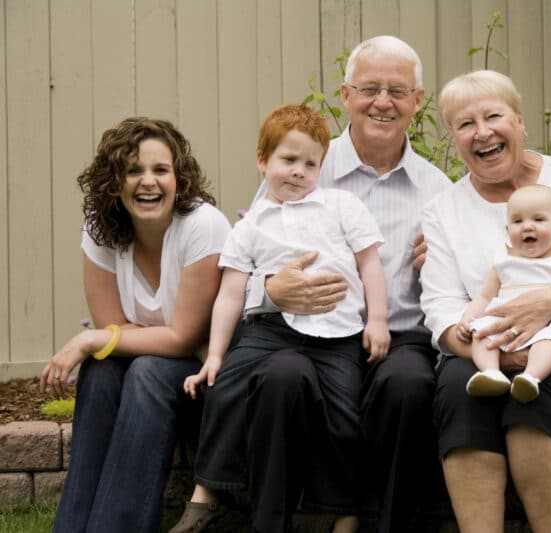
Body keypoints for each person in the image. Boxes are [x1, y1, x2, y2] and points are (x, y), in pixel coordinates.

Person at [242, 36, 452, 532]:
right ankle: (269, 523)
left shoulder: (437, 191)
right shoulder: (299, 167)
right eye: (370, 88)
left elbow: (460, 282)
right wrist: (271, 291)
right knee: (280, 377)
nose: (383, 102)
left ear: (417, 102)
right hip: (305, 334)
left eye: (398, 91)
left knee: (409, 385)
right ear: (345, 95)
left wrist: (443, 264)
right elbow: (246, 261)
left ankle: (393, 524)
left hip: (398, 337)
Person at [420, 69, 551, 532]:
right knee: (459, 391)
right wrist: (485, 341)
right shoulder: (444, 210)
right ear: (453, 138)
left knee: (534, 401)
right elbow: (440, 303)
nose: (483, 132)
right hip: (484, 346)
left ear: (519, 123)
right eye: (465, 124)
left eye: (493, 116)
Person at [169, 104, 387, 533]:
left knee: (345, 415)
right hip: (269, 330)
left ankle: (344, 511)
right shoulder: (250, 226)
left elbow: (370, 265)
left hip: (337, 332)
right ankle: (208, 492)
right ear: (262, 159)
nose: (299, 172)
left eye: (311, 164)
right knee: (227, 386)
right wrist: (214, 355)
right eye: (289, 160)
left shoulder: (341, 206)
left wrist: (377, 320)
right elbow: (232, 293)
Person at [40, 117, 230, 532]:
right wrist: (102, 339)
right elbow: (114, 330)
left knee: (142, 370)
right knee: (103, 370)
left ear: (179, 177)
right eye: (133, 171)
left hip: (208, 379)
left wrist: (92, 338)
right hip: (148, 378)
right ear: (115, 181)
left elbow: (185, 336)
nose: (149, 182)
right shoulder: (101, 231)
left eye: (161, 170)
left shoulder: (202, 225)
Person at [461, 184, 551, 402]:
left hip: (548, 324)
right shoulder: (503, 258)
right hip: (506, 324)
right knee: (480, 333)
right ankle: (491, 372)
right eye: (518, 221)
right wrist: (469, 317)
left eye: (538, 219)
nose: (527, 227)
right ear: (508, 230)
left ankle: (531, 377)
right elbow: (485, 297)